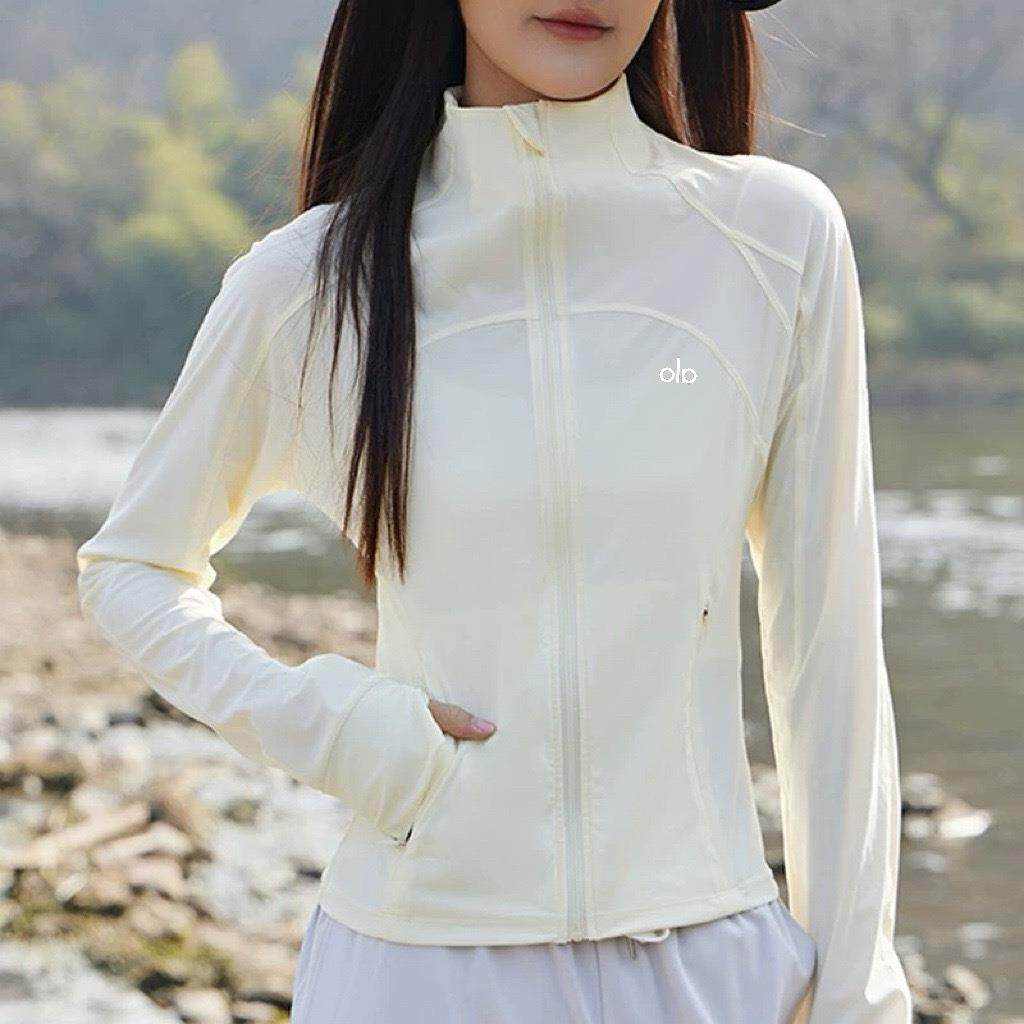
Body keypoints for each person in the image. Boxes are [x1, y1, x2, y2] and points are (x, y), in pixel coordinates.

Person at [75, 1, 915, 1022]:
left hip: (709, 965)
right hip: (419, 971)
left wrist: (858, 991)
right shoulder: (309, 283)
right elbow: (133, 569)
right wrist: (338, 729)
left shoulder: (773, 239)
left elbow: (828, 647)